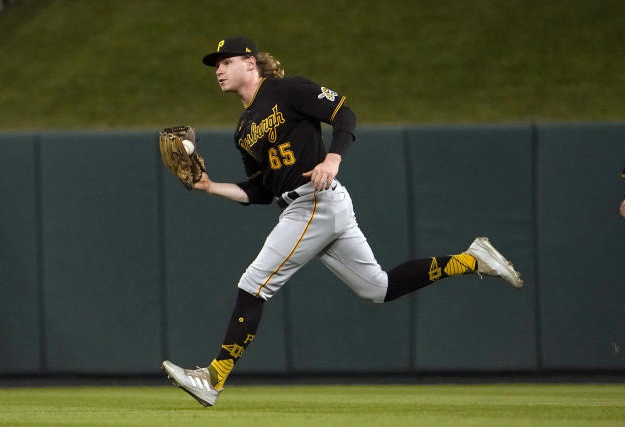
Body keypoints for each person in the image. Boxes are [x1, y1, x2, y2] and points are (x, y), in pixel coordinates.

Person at [162, 36, 523, 407]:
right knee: (378, 288)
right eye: (215, 65)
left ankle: (213, 377)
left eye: (226, 61)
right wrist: (209, 186)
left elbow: (344, 114)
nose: (218, 69)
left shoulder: (287, 90)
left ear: (250, 63)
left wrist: (332, 159)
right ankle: (472, 259)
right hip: (305, 207)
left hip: (314, 203)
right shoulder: (243, 129)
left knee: (254, 283)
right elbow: (260, 190)